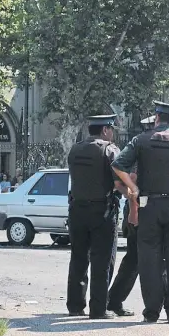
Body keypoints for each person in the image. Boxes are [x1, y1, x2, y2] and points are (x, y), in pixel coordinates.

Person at [112, 101, 169, 324]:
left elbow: (118, 165)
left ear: (156, 118)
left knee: (149, 260)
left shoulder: (140, 140)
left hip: (148, 206)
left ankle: (151, 312)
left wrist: (133, 188)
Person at [66, 114, 123, 319]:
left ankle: (75, 305)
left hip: (77, 210)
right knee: (102, 260)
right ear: (106, 130)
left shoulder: (75, 148)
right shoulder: (110, 150)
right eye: (112, 130)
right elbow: (118, 182)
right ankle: (98, 309)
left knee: (78, 258)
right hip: (102, 212)